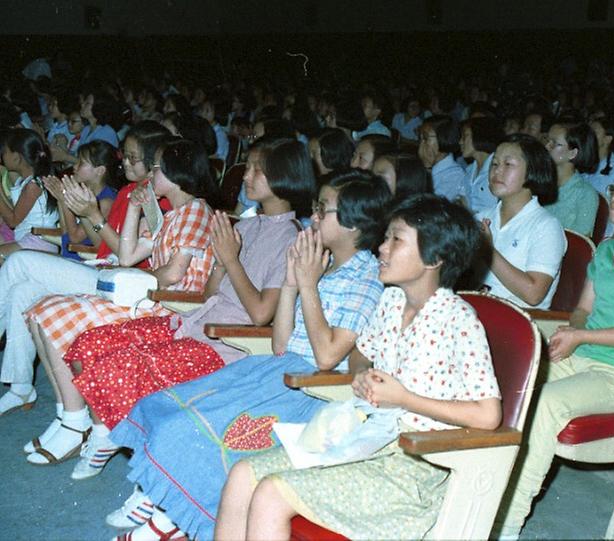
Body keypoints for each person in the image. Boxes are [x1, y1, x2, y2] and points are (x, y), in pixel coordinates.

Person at [104, 171, 389, 540]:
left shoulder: (365, 279)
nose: (313, 216)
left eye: (323, 210)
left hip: (312, 391)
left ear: (355, 223)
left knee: (200, 431)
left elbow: (325, 356)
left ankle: (175, 518)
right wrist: (291, 283)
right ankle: (168, 505)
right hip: (277, 369)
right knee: (174, 407)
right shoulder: (320, 260)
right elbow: (281, 344)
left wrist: (306, 284)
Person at [25, 138, 315, 482]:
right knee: (87, 345)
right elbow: (210, 293)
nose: (246, 176)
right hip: (193, 322)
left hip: (227, 344)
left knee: (115, 366)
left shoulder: (289, 237)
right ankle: (101, 430)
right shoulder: (247, 226)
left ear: (282, 177)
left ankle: (110, 439)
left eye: (256, 169)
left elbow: (260, 314)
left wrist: (230, 260)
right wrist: (223, 264)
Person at [215, 194, 501, 541]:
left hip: (414, 466)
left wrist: (405, 398)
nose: (381, 248)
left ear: (435, 258)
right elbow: (361, 352)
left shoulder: (459, 321)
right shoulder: (393, 300)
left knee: (272, 493)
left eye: (396, 240)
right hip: (365, 439)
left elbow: (488, 415)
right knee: (243, 473)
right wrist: (364, 372)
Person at [493, 162, 614, 538]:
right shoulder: (605, 249)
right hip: (583, 357)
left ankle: (507, 522)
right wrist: (573, 332)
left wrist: (582, 339)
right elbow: (584, 309)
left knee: (546, 404)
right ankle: (485, 490)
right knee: (507, 384)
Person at [24, 139, 217, 466]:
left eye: (157, 167)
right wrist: (135, 208)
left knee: (49, 313)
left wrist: (134, 279)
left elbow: (172, 275)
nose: (151, 173)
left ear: (176, 173)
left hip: (170, 308)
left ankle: (75, 420)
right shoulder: (173, 214)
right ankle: (68, 415)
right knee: (41, 310)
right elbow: (128, 255)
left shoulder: (196, 211)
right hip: (151, 300)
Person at [0, 123, 170, 417]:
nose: (125, 163)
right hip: (101, 268)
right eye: (125, 156)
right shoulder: (129, 191)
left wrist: (91, 213)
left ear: (156, 164)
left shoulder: (155, 199)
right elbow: (98, 244)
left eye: (133, 158)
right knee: (21, 292)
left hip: (126, 284)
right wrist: (80, 209)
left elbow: (126, 257)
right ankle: (20, 386)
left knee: (19, 261)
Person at [477, 134, 566, 310]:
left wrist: (488, 251)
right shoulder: (480, 217)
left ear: (532, 171)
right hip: (475, 312)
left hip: (518, 321)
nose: (497, 170)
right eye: (494, 163)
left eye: (508, 164)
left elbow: (533, 294)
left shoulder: (546, 226)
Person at [41, 140, 120, 261]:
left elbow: (75, 238)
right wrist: (61, 199)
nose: (75, 166)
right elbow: (65, 231)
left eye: (81, 163)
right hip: (69, 257)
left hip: (84, 261)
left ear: (100, 170)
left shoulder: (105, 202)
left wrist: (64, 199)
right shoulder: (83, 192)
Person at [0, 128, 58, 260]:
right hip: (29, 239)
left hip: (40, 241)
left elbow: (13, 221)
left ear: (16, 158)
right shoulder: (27, 181)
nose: (2, 156)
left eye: (4, 152)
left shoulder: (34, 185)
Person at [543, 122, 600, 236]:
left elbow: (580, 242)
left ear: (572, 153)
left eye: (555, 143)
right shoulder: (539, 182)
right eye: (547, 140)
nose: (546, 146)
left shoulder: (585, 194)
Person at [460, 116, 503, 213]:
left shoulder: (498, 170)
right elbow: (462, 201)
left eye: (465, 136)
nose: (460, 142)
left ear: (479, 136)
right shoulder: (469, 170)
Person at [418, 115, 465, 202]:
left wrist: (427, 168)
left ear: (443, 138)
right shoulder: (420, 165)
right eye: (420, 138)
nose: (421, 144)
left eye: (425, 138)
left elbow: (430, 205)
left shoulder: (454, 175)